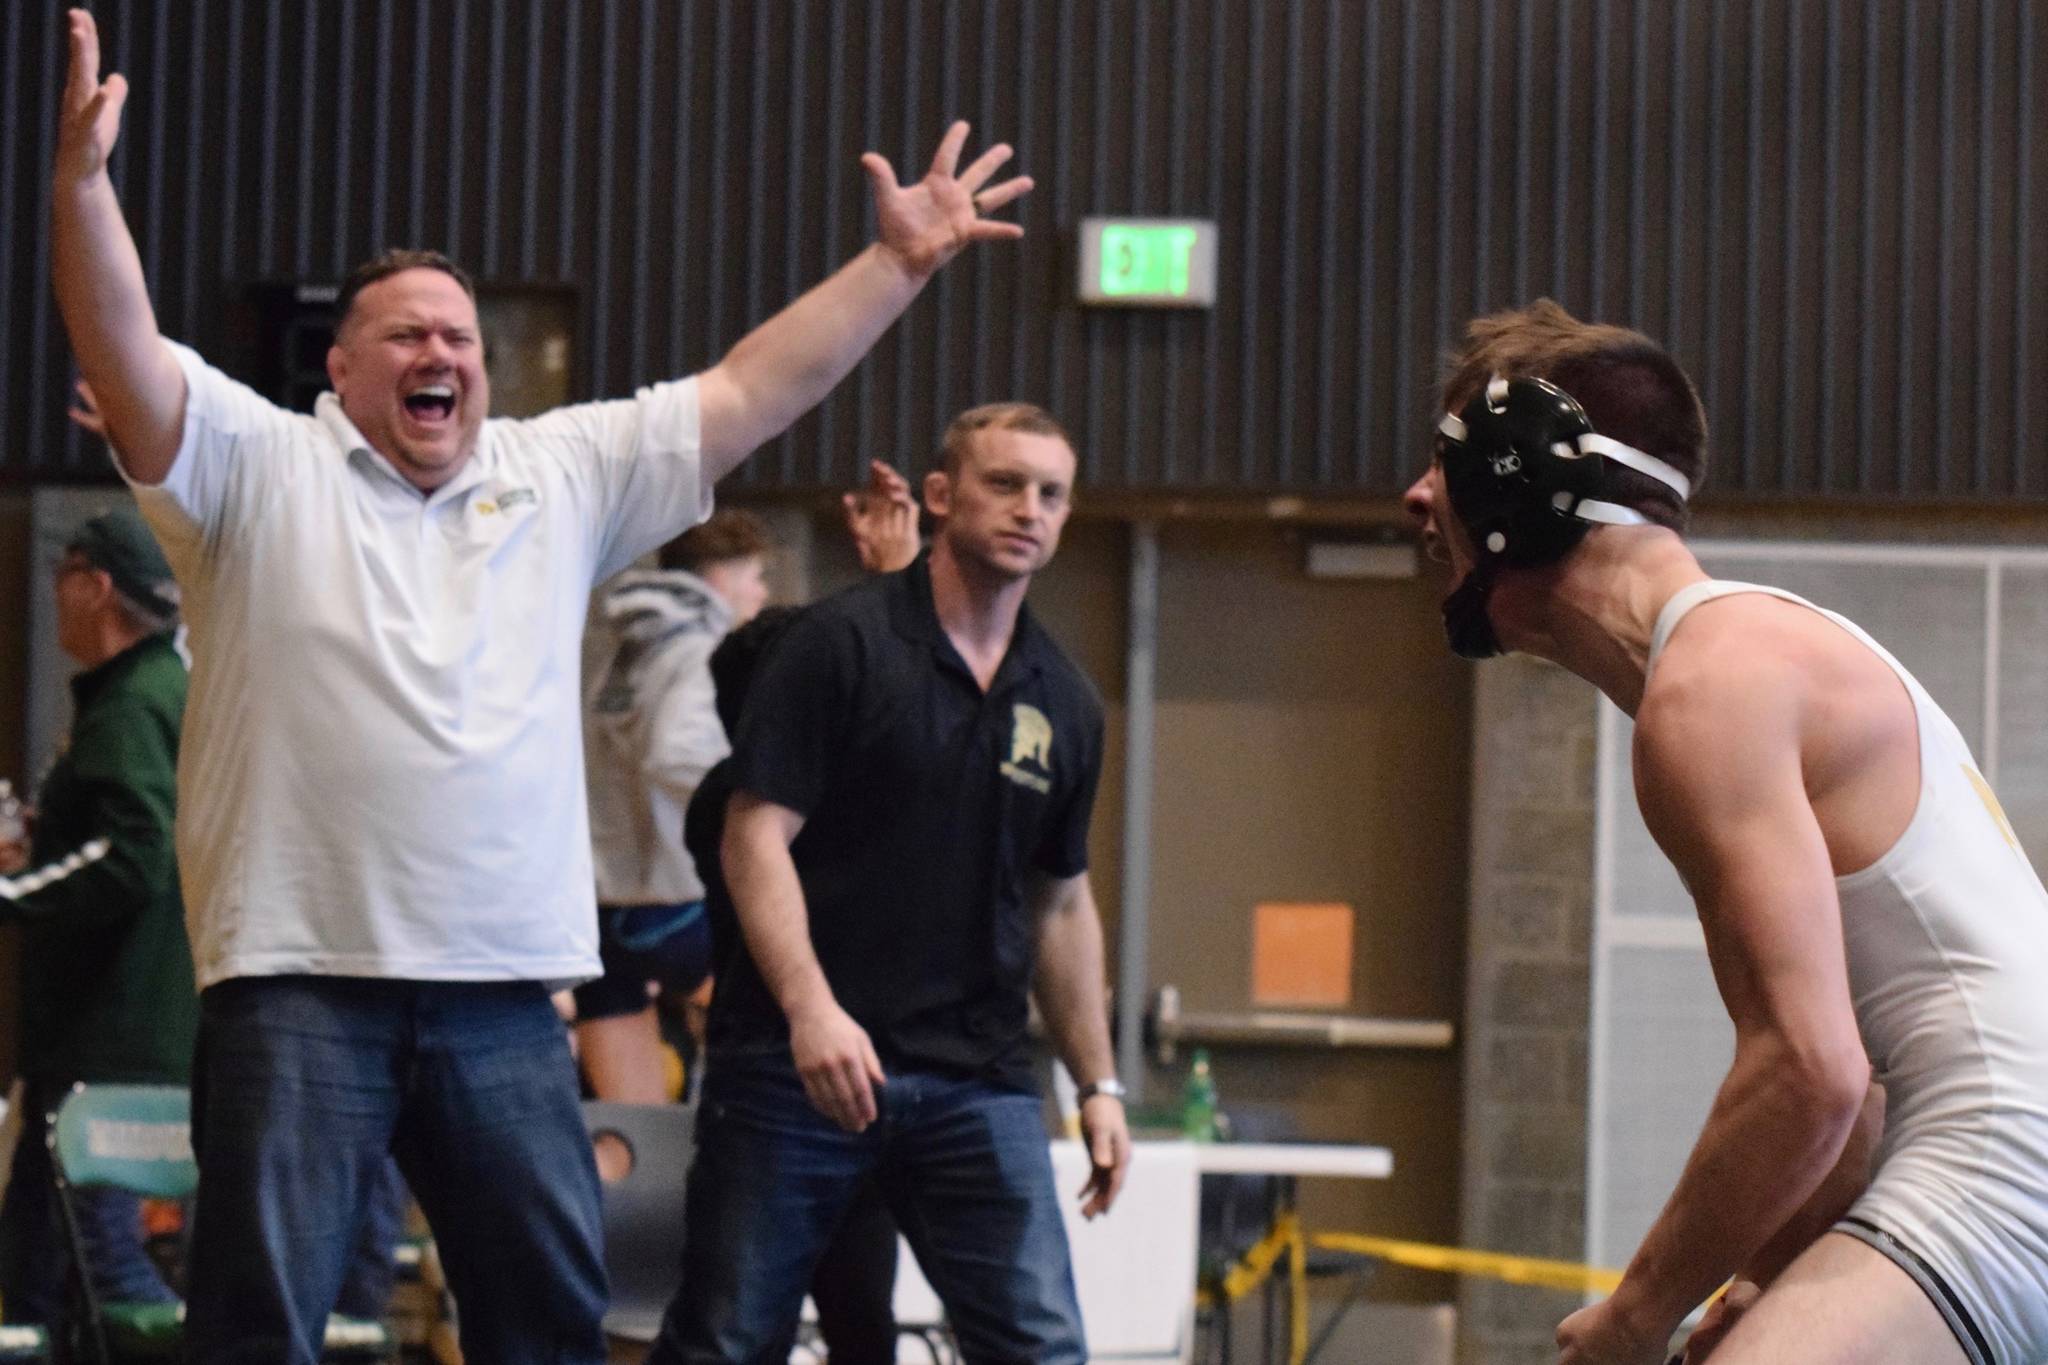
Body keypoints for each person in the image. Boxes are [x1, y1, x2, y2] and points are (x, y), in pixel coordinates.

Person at [48, 6, 1033, 1359]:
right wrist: (83, 190)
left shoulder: (556, 475)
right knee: (257, 1326)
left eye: (457, 337)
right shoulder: (255, 469)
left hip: (506, 996)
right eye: (402, 336)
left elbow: (755, 388)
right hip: (295, 982)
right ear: (340, 373)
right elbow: (125, 352)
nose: (438, 354)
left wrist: (896, 263)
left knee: (548, 1325)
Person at [1403, 299, 2048, 1365]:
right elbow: (1856, 1100)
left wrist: (1633, 1315)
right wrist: (1761, 1275)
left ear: (1520, 475)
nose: (1418, 496)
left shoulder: (1711, 684)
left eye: (1448, 456)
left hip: (2000, 1169)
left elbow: (1809, 1072)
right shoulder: (1756, 652)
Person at [650, 402, 1131, 1365]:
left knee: (1043, 1348)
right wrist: (812, 1011)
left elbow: (1062, 903)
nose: (1029, 509)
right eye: (1004, 484)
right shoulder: (836, 646)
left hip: (975, 1079)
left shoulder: (1065, 699)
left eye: (1051, 493)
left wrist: (1099, 1082)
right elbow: (755, 838)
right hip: (799, 1070)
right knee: (728, 1340)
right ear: (943, 496)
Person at [0, 507, 192, 1325]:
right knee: (40, 1265)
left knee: (104, 1260)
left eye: (62, 575)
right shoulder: (151, 691)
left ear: (95, 584)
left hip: (112, 1040)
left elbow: (133, 851)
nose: (56, 595)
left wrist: (10, 893)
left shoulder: (134, 701)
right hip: (105, 1033)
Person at [579, 509, 778, 1103]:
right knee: (794, 1005)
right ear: (721, 580)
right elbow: (678, 752)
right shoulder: (700, 650)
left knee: (629, 1128)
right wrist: (756, 798)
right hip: (674, 900)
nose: (762, 594)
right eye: (756, 578)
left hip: (603, 900)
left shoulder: (622, 650)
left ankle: (623, 1192)